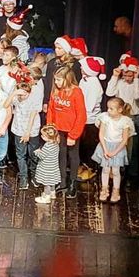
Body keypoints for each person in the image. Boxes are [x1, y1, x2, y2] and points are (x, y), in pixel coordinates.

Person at [47, 66, 86, 198]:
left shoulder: (76, 92)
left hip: (71, 131)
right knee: (60, 155)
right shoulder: (55, 91)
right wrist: (51, 129)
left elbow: (81, 115)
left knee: (73, 156)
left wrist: (73, 135)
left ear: (67, 79)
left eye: (59, 80)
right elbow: (51, 110)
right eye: (55, 80)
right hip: (58, 130)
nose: (56, 83)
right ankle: (62, 181)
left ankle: (72, 183)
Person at [107, 53, 139, 180]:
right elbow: (109, 92)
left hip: (134, 118)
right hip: (120, 118)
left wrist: (136, 79)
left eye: (130, 75)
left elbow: (137, 96)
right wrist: (114, 76)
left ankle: (132, 176)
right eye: (125, 75)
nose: (127, 78)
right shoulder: (120, 83)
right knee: (119, 146)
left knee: (132, 149)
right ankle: (119, 173)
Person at [92, 97, 135, 203]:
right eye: (108, 108)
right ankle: (104, 189)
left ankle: (116, 191)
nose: (108, 111)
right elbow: (101, 134)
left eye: (111, 109)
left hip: (118, 148)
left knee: (115, 171)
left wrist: (114, 152)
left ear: (120, 110)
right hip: (105, 146)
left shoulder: (125, 121)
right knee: (105, 169)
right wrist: (106, 150)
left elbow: (124, 140)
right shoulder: (105, 118)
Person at [7, 71, 43, 190]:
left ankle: (34, 175)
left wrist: (27, 133)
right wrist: (14, 94)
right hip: (18, 129)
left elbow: (33, 116)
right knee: (20, 155)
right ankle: (23, 177)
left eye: (24, 94)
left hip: (31, 131)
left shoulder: (34, 99)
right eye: (21, 94)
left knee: (33, 154)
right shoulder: (17, 98)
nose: (22, 97)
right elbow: (5, 104)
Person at [32, 125, 62, 204]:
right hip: (53, 167)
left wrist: (37, 152)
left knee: (47, 184)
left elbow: (42, 156)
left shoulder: (47, 146)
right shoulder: (56, 144)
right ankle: (52, 193)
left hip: (46, 168)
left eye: (43, 135)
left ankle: (46, 197)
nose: (41, 136)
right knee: (52, 182)